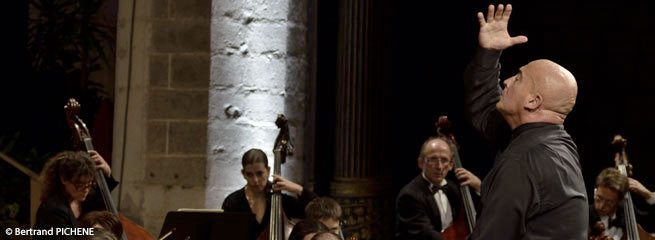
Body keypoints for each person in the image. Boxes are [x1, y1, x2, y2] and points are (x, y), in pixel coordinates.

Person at [463, 4, 587, 239]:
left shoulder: (522, 160)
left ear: (533, 101)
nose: (507, 81)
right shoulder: (553, 143)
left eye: (518, 78)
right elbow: (487, 111)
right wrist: (489, 53)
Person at [395, 137, 481, 239]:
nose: (439, 166)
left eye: (444, 160)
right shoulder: (409, 195)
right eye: (433, 159)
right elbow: (426, 234)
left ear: (451, 165)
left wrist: (479, 187)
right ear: (421, 163)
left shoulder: (454, 189)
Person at [222, 148, 317, 239]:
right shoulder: (233, 202)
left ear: (268, 171)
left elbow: (319, 211)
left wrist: (298, 189)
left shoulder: (281, 201)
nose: (255, 180)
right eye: (249, 174)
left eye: (259, 174)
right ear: (243, 173)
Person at [33, 150, 118, 240]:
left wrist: (107, 173)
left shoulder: (81, 194)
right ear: (64, 179)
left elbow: (101, 196)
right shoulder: (53, 210)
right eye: (79, 185)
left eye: (89, 184)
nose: (86, 190)